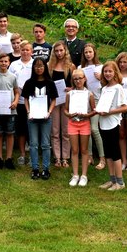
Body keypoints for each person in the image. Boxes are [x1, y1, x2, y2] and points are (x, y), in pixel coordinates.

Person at [22, 58, 58, 180]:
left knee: (45, 144)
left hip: (45, 118)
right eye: (36, 66)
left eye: (41, 66)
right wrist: (28, 111)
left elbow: (53, 100)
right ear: (33, 68)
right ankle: (35, 168)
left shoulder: (50, 83)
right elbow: (26, 99)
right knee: (33, 144)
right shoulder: (29, 83)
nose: (39, 68)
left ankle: (46, 169)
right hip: (32, 117)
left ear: (45, 67)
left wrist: (49, 112)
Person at [96, 61, 127, 191]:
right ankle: (112, 179)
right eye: (105, 71)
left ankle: (120, 182)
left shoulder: (118, 88)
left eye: (110, 71)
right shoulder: (104, 88)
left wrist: (109, 112)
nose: (107, 74)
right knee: (108, 153)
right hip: (103, 123)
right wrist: (98, 110)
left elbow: (124, 107)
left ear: (115, 72)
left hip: (113, 123)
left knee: (115, 153)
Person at [64, 69, 96, 187]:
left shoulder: (89, 94)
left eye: (80, 78)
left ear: (85, 79)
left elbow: (94, 110)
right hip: (72, 123)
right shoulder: (70, 94)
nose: (78, 81)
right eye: (75, 79)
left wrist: (87, 115)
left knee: (84, 150)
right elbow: (66, 109)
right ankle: (75, 174)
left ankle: (84, 175)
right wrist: (68, 115)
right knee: (75, 150)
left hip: (84, 123)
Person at [77, 41, 105, 170]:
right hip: (84, 101)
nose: (88, 54)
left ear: (94, 53)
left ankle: (102, 158)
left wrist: (101, 78)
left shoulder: (101, 67)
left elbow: (109, 86)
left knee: (94, 129)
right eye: (86, 52)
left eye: (90, 52)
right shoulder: (80, 68)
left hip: (98, 100)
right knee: (86, 129)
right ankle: (89, 156)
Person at [0, 53, 20, 170]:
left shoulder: (12, 77)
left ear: (9, 63)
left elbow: (17, 91)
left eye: (6, 61)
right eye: (1, 61)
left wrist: (16, 102)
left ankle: (9, 158)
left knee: (10, 133)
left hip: (10, 110)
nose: (3, 63)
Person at [48, 40, 75, 168]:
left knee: (65, 130)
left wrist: (71, 88)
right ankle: (57, 157)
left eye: (61, 50)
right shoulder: (50, 66)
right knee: (54, 130)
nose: (59, 53)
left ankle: (65, 157)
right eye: (56, 51)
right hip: (53, 101)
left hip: (66, 101)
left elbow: (76, 84)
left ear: (65, 51)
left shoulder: (71, 66)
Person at [8, 41, 33, 166]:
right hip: (19, 101)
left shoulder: (36, 63)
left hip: (33, 101)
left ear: (31, 51)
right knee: (21, 129)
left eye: (27, 49)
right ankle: (23, 155)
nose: (25, 51)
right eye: (23, 49)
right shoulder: (14, 64)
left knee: (32, 129)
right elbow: (11, 81)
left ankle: (33, 155)